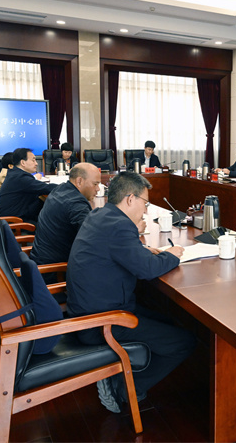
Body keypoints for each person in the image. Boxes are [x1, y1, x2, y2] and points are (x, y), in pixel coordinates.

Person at [66, 171, 195, 413]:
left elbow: (120, 251)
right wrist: (172, 255)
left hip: (87, 311)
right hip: (102, 322)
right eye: (145, 203)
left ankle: (122, 371)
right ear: (130, 199)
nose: (145, 210)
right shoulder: (119, 226)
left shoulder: (100, 215)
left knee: (170, 321)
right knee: (183, 341)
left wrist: (143, 251)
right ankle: (126, 387)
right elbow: (147, 270)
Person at [30, 163, 101, 265]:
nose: (98, 189)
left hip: (41, 257)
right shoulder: (76, 203)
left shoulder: (61, 189)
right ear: (79, 181)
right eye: (95, 184)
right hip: (55, 268)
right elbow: (93, 238)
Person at [0, 148, 59, 223]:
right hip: (20, 223)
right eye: (33, 160)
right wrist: (67, 186)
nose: (36, 163)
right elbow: (46, 188)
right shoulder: (20, 178)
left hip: (18, 218)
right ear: (23, 163)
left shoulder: (15, 174)